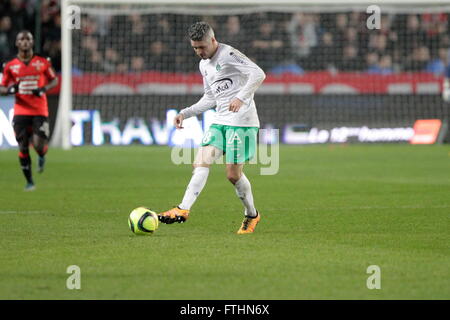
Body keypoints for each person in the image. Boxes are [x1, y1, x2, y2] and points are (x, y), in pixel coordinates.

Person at [158, 21, 266, 234]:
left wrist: (240, 97)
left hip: (242, 122)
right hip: (220, 121)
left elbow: (258, 74)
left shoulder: (229, 55)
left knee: (233, 175)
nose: (199, 52)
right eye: (195, 48)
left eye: (202, 47)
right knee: (200, 162)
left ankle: (252, 214)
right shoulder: (203, 65)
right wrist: (185, 113)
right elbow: (210, 97)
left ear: (213, 40)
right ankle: (183, 209)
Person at [0, 30, 58, 191]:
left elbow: (54, 80)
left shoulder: (43, 62)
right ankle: (30, 181)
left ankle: (41, 155)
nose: (25, 41)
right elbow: (2, 87)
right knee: (23, 146)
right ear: (17, 43)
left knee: (39, 145)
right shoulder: (10, 66)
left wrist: (43, 89)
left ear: (32, 42)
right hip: (20, 111)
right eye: (22, 39)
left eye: (28, 39)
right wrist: (11, 89)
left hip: (40, 110)